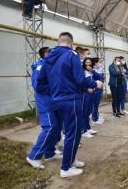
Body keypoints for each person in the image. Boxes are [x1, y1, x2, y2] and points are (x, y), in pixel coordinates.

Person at [36, 32, 103, 178]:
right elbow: (80, 79)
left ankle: (71, 160)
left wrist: (55, 90)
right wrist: (94, 83)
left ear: (59, 42)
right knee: (73, 133)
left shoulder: (48, 58)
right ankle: (66, 168)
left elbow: (40, 85)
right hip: (71, 99)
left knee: (69, 131)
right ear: (71, 43)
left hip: (56, 100)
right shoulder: (71, 55)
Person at [26, 47, 62, 169]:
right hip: (46, 102)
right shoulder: (40, 67)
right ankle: (33, 156)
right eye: (50, 53)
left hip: (54, 102)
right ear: (44, 55)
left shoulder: (51, 66)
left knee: (57, 127)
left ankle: (49, 153)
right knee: (50, 127)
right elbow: (38, 86)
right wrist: (56, 86)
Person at [81, 58, 99, 138]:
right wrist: (86, 89)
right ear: (84, 63)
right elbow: (80, 82)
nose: (88, 64)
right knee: (84, 112)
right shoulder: (82, 71)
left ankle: (88, 128)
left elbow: (99, 77)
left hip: (92, 93)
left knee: (89, 111)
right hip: (85, 93)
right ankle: (83, 130)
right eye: (86, 62)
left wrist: (92, 70)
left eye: (89, 62)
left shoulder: (91, 71)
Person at [91, 57, 105, 124]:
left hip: (100, 88)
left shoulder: (98, 69)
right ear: (95, 62)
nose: (100, 63)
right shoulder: (92, 70)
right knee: (94, 104)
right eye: (99, 62)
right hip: (96, 89)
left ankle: (97, 116)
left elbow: (102, 78)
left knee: (97, 104)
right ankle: (94, 118)